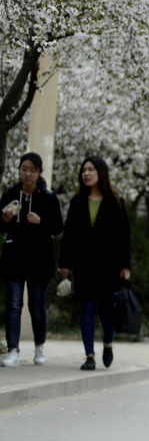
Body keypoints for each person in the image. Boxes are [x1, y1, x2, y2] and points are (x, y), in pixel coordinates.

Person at [58, 157, 131, 371]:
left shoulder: (116, 201)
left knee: (107, 310)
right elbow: (69, 235)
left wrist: (125, 266)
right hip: (84, 265)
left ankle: (108, 344)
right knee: (87, 308)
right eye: (83, 170)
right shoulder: (77, 202)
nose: (86, 173)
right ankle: (89, 355)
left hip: (109, 266)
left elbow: (124, 236)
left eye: (90, 169)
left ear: (101, 173)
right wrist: (65, 264)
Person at [0, 153, 64, 367]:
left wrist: (41, 221)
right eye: (24, 168)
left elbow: (57, 227)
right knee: (13, 305)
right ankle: (13, 351)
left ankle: (39, 347)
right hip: (14, 258)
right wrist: (3, 220)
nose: (27, 173)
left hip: (40, 260)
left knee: (36, 306)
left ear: (39, 173)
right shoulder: (10, 194)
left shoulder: (48, 197)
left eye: (32, 170)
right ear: (19, 170)